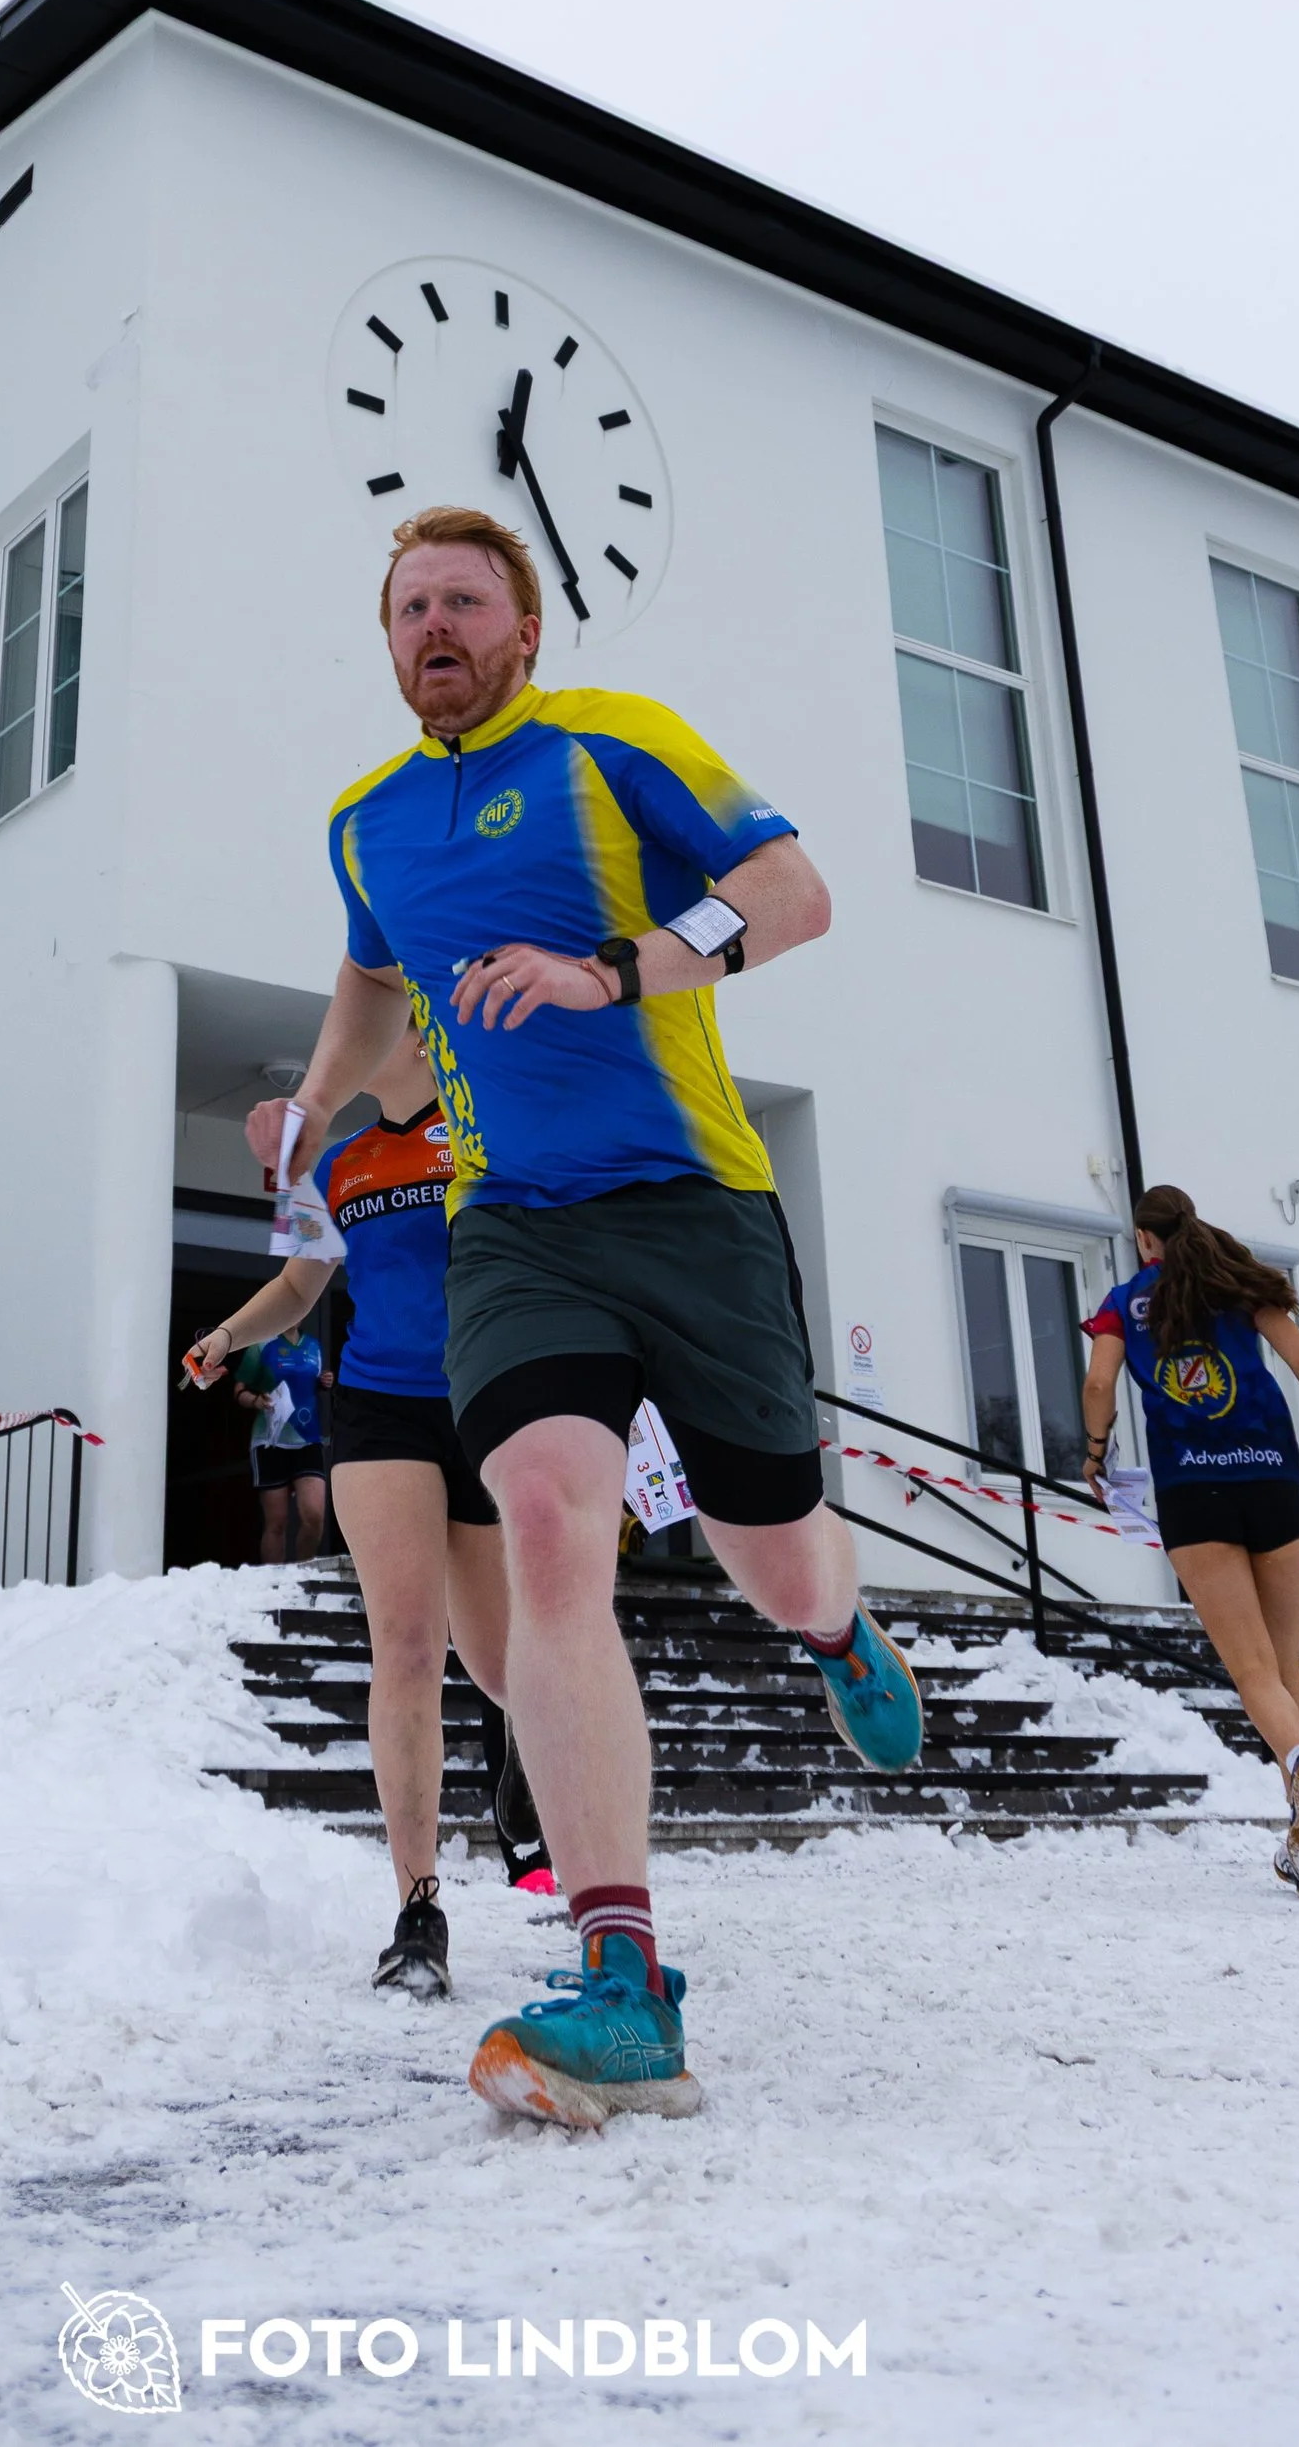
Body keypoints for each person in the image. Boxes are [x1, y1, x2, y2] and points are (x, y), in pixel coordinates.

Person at [248, 503, 924, 2129]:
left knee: (773, 1557)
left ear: (526, 629)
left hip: (692, 1206)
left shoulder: (615, 745)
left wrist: (612, 969)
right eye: (409, 608)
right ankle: (626, 1982)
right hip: (516, 1235)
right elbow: (369, 975)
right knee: (550, 1519)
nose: (434, 629)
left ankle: (836, 1626)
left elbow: (794, 891)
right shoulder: (365, 823)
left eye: (463, 602)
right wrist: (322, 1106)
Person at [186, 1026, 512, 1996]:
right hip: (377, 1409)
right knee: (406, 1646)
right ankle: (418, 1906)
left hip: (486, 1404)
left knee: (499, 1663)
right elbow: (299, 1285)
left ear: (419, 1029)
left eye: (373, 1026)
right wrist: (225, 1335)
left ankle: (536, 1786)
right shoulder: (339, 1163)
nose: (350, 1045)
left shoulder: (483, 1133)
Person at [1081, 1182, 1299, 1900]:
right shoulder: (1241, 1285)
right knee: (1287, 1667)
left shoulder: (1125, 1300)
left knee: (1251, 1673)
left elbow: (1099, 1380)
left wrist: (1095, 1450)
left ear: (1146, 1240)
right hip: (1273, 1484)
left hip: (1193, 1493)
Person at [236, 1328, 326, 1564]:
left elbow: (306, 1386)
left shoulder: (313, 1346)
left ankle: (301, 1574)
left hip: (308, 1438)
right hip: (271, 1440)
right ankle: (275, 1587)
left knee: (314, 1516)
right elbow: (239, 1391)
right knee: (277, 1522)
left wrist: (324, 1382)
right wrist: (256, 1400)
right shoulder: (260, 1345)